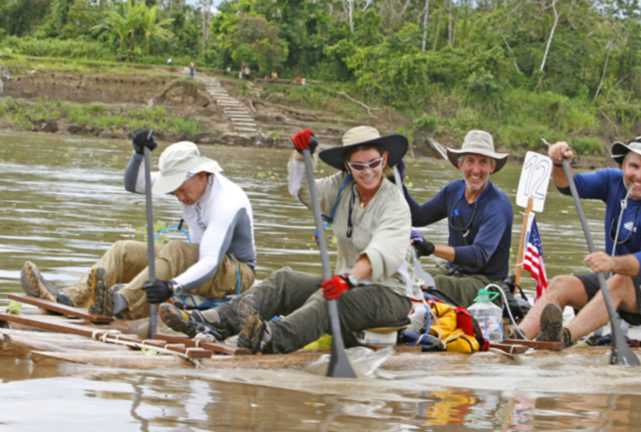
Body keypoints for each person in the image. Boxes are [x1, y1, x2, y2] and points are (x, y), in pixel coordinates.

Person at [158, 126, 422, 354]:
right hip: (348, 285)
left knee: (329, 298)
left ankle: (271, 338)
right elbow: (303, 191)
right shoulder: (343, 187)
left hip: (391, 296)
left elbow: (382, 251)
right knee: (284, 280)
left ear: (384, 159)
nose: (367, 172)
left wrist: (347, 279)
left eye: (374, 163)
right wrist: (300, 157)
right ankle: (216, 321)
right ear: (347, 166)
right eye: (358, 166)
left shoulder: (394, 203)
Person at [20, 130, 257, 319]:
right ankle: (69, 299)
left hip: (234, 274)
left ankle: (119, 304)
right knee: (123, 250)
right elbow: (135, 184)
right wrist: (138, 155)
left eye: (182, 190)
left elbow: (209, 260)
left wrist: (172, 288)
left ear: (200, 175)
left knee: (175, 249)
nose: (179, 198)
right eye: (174, 192)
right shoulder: (190, 184)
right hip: (193, 261)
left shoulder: (227, 202)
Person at [516, 134, 641, 346]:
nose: (639, 176)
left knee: (619, 280)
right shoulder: (612, 182)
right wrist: (559, 164)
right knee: (560, 284)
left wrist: (612, 263)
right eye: (634, 166)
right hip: (617, 281)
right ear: (623, 165)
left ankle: (563, 337)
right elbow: (568, 186)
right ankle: (517, 339)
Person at [403, 130, 514, 308]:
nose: (476, 170)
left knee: (431, 285)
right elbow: (418, 217)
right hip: (453, 270)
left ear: (491, 167)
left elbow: (479, 255)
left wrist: (431, 248)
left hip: (486, 285)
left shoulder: (497, 206)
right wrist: (398, 185)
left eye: (483, 162)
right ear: (460, 164)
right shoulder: (453, 190)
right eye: (470, 161)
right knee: (403, 276)